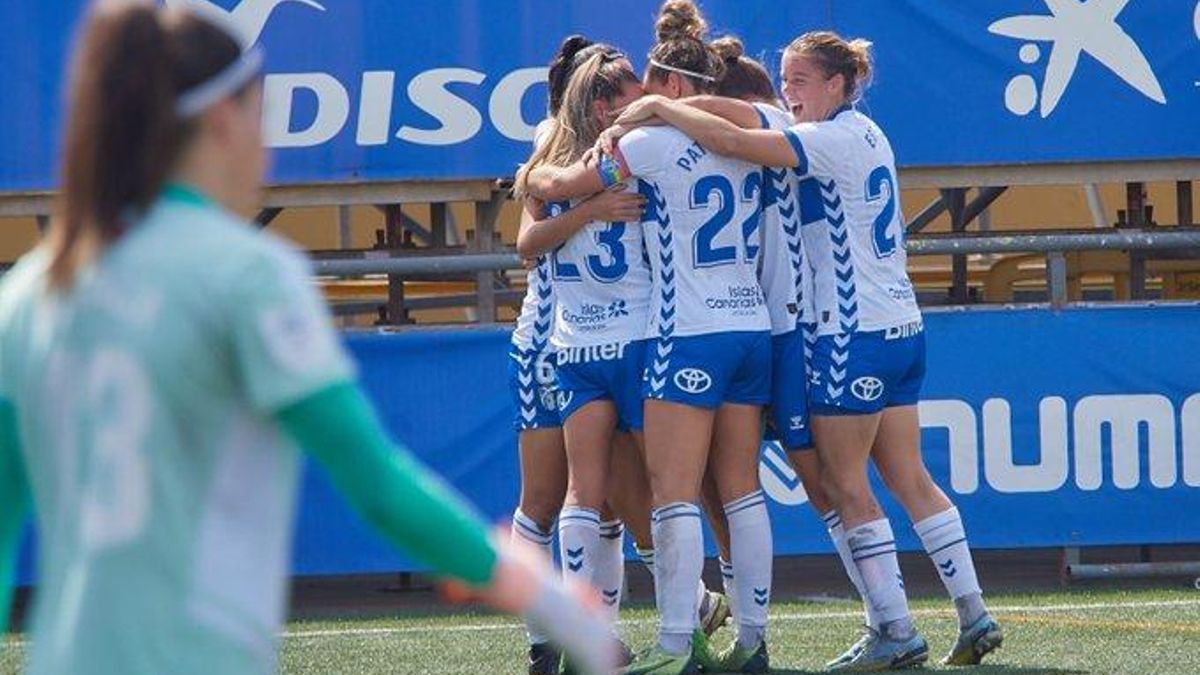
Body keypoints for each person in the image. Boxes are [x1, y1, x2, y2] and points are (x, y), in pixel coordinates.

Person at [0, 4, 617, 674]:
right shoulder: (247, 275)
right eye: (259, 110)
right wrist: (551, 599)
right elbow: (377, 483)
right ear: (219, 119)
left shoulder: (33, 289)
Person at [611, 30, 1004, 671]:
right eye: (784, 79)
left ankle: (894, 628)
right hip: (898, 324)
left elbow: (736, 138)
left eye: (800, 81)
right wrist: (688, 102)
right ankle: (972, 612)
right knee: (907, 477)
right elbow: (742, 113)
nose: (788, 93)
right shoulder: (856, 130)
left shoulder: (827, 139)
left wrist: (658, 108)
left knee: (840, 484)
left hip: (844, 332)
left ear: (839, 84)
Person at [529, 3, 776, 673]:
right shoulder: (757, 125)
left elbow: (556, 184)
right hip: (751, 323)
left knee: (670, 492)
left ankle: (673, 647)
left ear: (665, 81)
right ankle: (753, 642)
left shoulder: (640, 146)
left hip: (683, 330)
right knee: (741, 489)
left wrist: (538, 166)